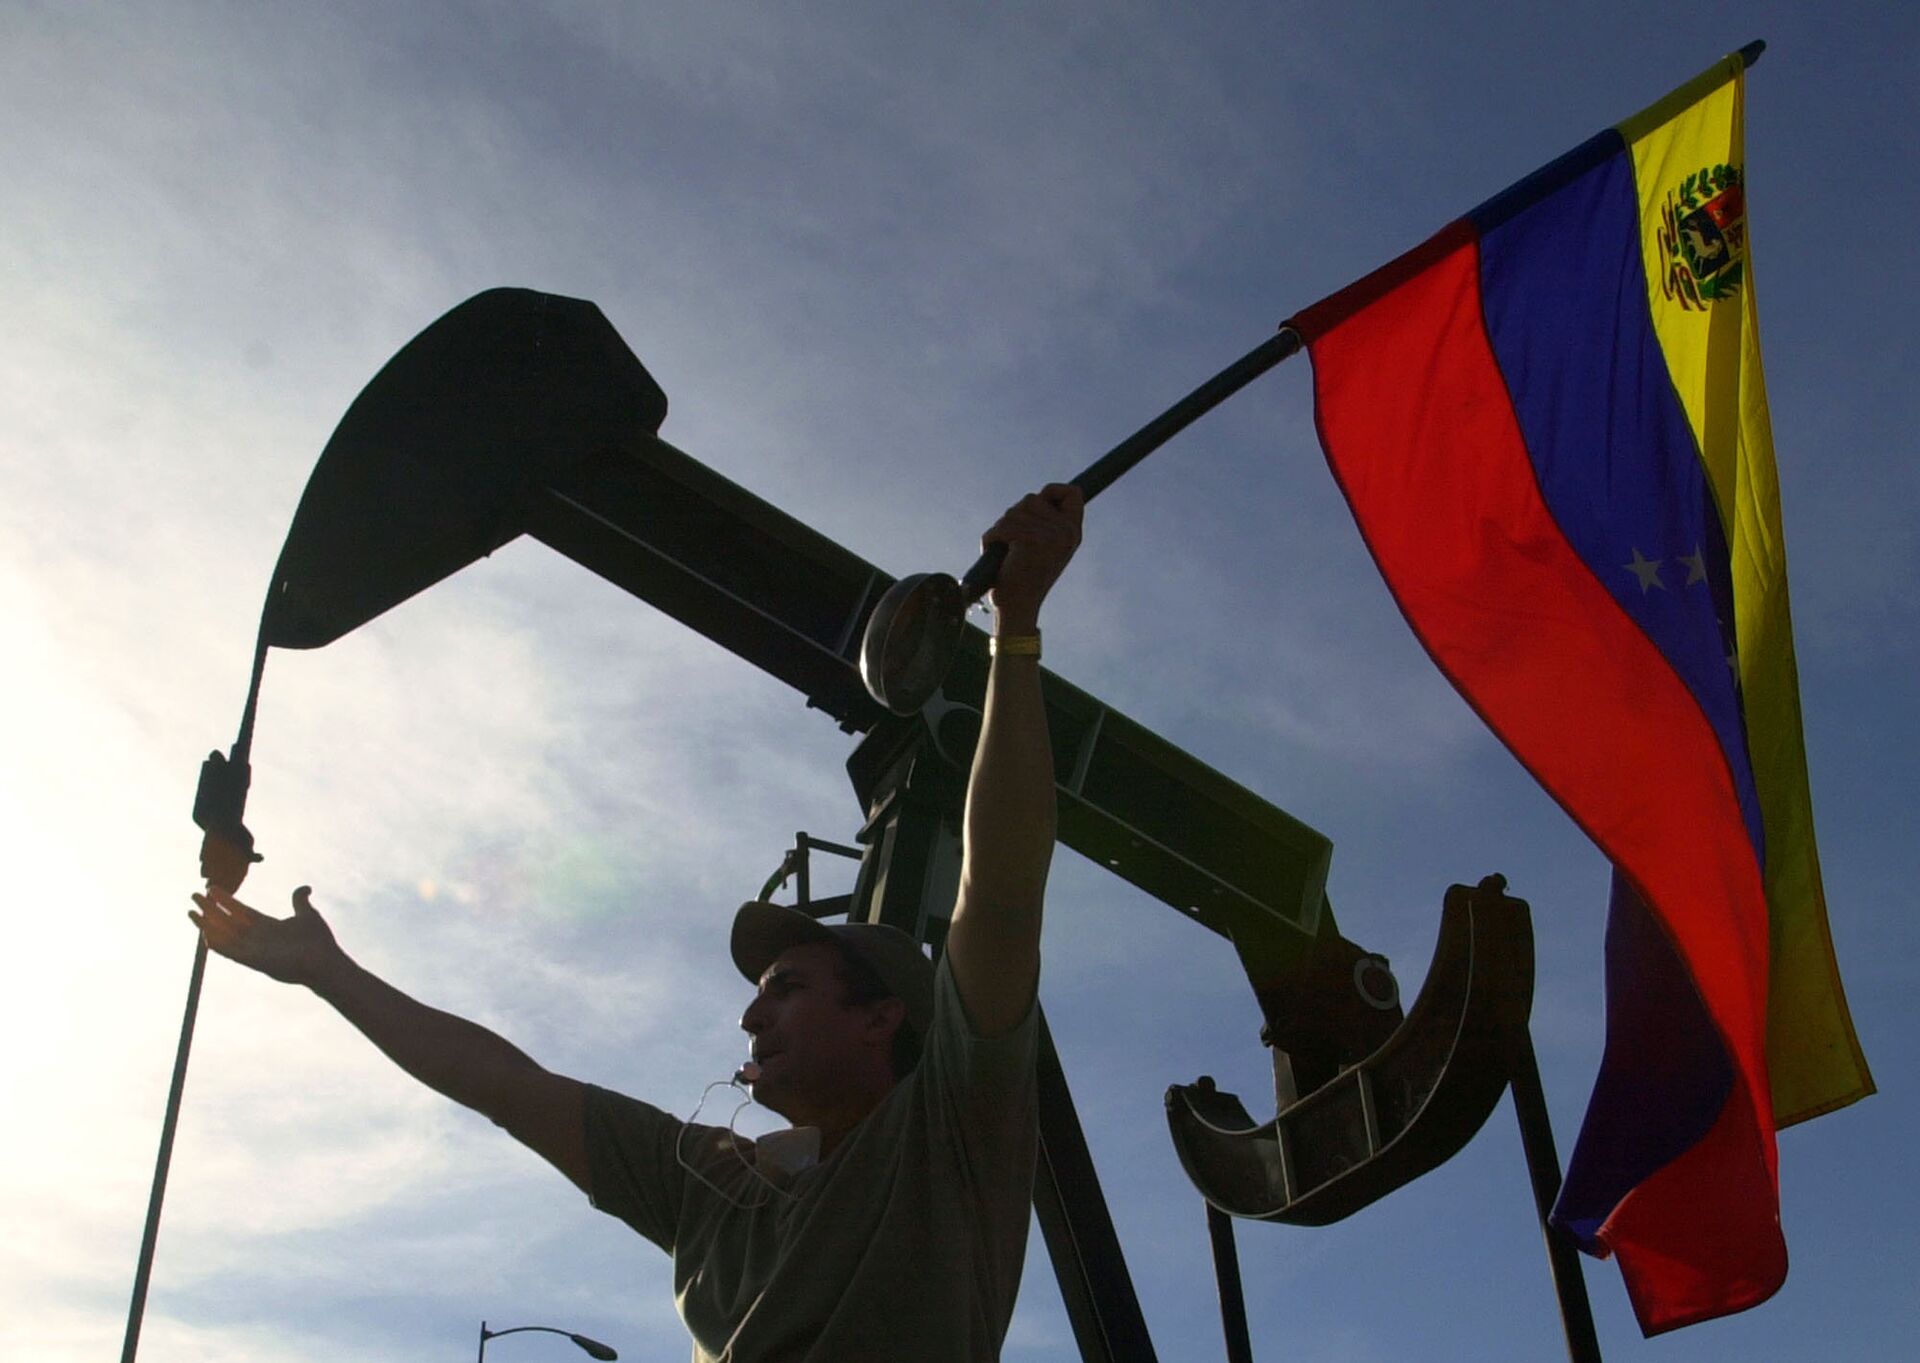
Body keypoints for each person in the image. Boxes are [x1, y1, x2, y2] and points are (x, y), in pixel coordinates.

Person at [190, 483, 1086, 1362]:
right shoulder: (710, 1184)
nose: (749, 1015)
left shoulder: (950, 1133)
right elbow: (505, 1085)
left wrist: (1014, 629)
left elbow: (1002, 888)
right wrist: (328, 971)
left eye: (790, 987)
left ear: (883, 1014)